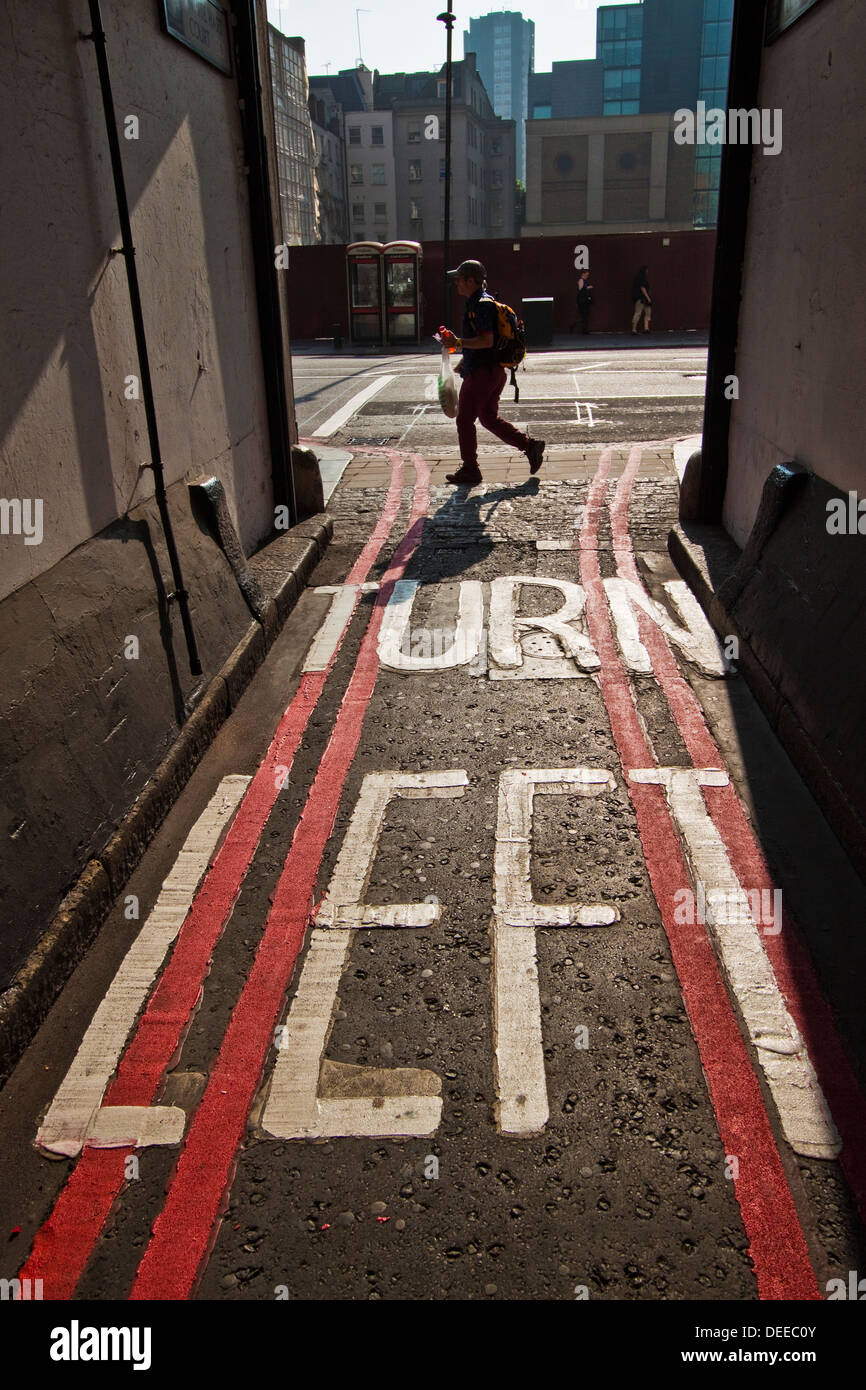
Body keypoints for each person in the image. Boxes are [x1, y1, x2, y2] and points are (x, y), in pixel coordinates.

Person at [438, 259, 545, 487]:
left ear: (470, 280)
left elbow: (486, 340)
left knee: (465, 420)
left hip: (482, 374)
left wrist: (456, 342)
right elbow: (485, 342)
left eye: (459, 279)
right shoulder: (480, 303)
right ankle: (530, 446)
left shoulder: (482, 305)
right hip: (492, 372)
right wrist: (463, 361)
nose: (456, 283)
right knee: (488, 418)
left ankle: (470, 470)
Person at [632, 265, 652, 334]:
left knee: (647, 313)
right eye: (646, 270)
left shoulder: (640, 278)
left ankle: (646, 328)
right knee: (638, 313)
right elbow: (642, 288)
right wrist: (648, 297)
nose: (647, 272)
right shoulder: (641, 278)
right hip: (641, 298)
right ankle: (634, 329)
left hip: (642, 299)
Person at [576, 270, 594, 335]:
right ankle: (581, 329)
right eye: (586, 275)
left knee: (585, 316)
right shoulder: (581, 280)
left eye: (588, 275)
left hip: (585, 301)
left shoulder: (586, 281)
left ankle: (585, 329)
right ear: (583, 274)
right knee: (583, 316)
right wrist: (587, 287)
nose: (587, 276)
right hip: (581, 301)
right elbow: (580, 289)